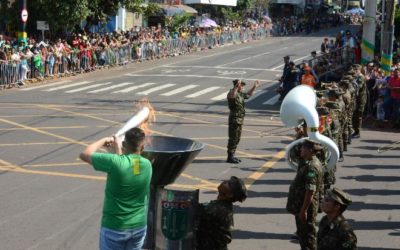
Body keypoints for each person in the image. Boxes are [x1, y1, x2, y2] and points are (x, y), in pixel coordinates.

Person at [79, 127, 152, 250]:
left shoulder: (115, 163)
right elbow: (128, 167)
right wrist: (117, 149)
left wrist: (104, 140)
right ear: (143, 147)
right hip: (138, 227)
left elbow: (84, 154)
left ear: (124, 144)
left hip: (115, 228)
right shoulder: (147, 165)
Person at [286, 139, 324, 250]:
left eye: (303, 148)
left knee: (308, 237)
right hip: (302, 204)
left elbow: (310, 191)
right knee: (303, 236)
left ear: (310, 150)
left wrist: (304, 211)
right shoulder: (306, 160)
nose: (301, 149)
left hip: (306, 206)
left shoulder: (311, 167)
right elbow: (295, 151)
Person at [196, 176, 247, 250]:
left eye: (229, 184)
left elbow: (196, 209)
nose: (225, 182)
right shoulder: (223, 205)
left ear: (230, 195)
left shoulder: (218, 209)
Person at [226, 79, 260, 163]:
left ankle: (232, 155)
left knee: (237, 139)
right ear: (237, 86)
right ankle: (230, 157)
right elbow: (232, 96)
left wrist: (254, 86)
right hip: (234, 120)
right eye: (242, 85)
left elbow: (248, 95)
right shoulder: (232, 93)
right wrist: (236, 87)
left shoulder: (240, 94)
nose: (243, 87)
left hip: (239, 120)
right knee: (233, 139)